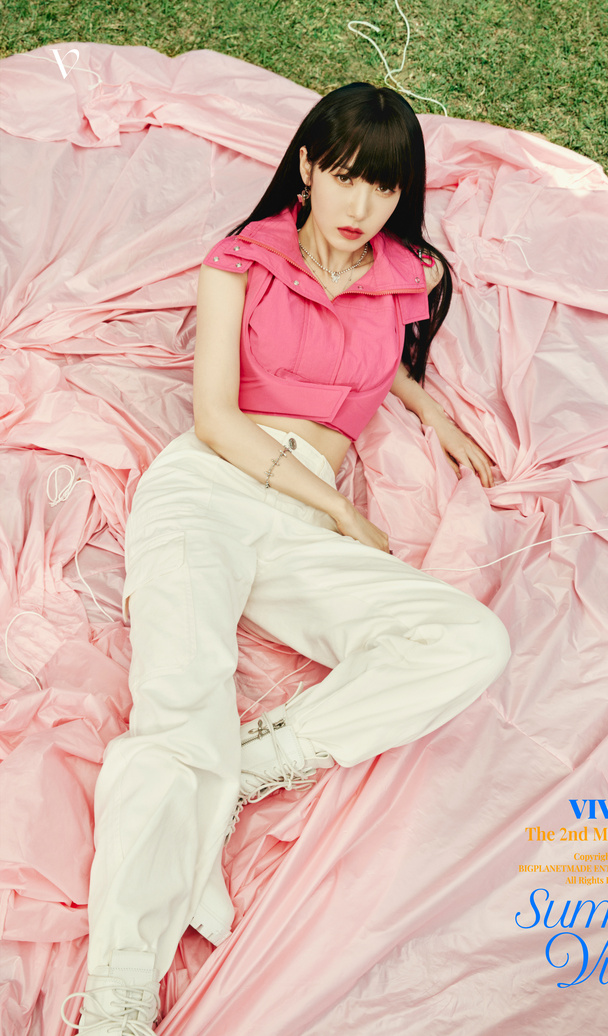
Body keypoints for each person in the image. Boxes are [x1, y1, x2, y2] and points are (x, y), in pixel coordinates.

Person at [62, 82, 511, 1035]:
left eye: (383, 188)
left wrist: (431, 412)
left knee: (469, 641)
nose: (361, 206)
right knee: (179, 706)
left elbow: (377, 352)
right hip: (212, 488)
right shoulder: (238, 264)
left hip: (298, 527)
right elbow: (215, 419)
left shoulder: (404, 274)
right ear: (307, 166)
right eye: (345, 177)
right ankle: (118, 997)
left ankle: (254, 763)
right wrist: (339, 509)